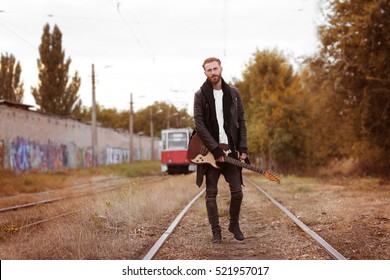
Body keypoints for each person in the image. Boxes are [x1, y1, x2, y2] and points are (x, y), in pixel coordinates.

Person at [193, 57, 248, 243]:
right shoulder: (200, 95)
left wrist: (242, 147)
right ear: (205, 72)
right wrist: (215, 150)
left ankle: (234, 224)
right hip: (210, 154)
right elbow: (199, 125)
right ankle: (216, 232)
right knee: (211, 194)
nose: (213, 72)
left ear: (221, 68)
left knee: (237, 192)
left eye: (215, 68)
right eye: (209, 70)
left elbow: (241, 121)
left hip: (231, 151)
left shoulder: (233, 93)